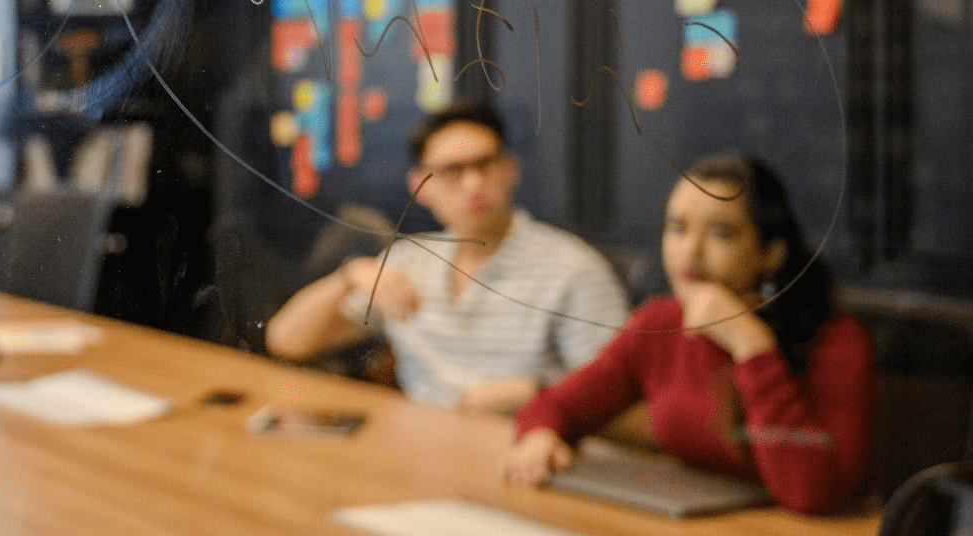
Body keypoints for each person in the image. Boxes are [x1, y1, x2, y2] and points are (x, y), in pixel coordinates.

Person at [502, 154, 876, 515]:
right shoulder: (661, 322)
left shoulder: (838, 342)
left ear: (770, 253)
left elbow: (811, 495)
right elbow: (554, 407)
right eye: (678, 228)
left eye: (721, 233)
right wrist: (541, 435)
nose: (690, 251)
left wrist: (749, 343)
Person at [266, 102, 628, 413]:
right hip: (419, 447)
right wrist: (349, 276)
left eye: (485, 165)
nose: (473, 185)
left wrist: (537, 392)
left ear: (510, 170)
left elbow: (625, 396)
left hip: (526, 448)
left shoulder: (572, 269)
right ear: (420, 186)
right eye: (452, 171)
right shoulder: (409, 262)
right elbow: (287, 341)